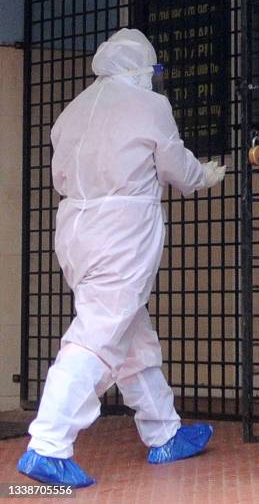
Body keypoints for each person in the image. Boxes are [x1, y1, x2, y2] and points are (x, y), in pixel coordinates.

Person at [17, 29, 226, 487]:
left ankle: (164, 432)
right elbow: (173, 165)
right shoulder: (149, 106)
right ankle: (48, 443)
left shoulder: (73, 110)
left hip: (76, 229)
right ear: (142, 68)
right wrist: (204, 176)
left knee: (129, 331)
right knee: (99, 333)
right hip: (123, 231)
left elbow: (62, 173)